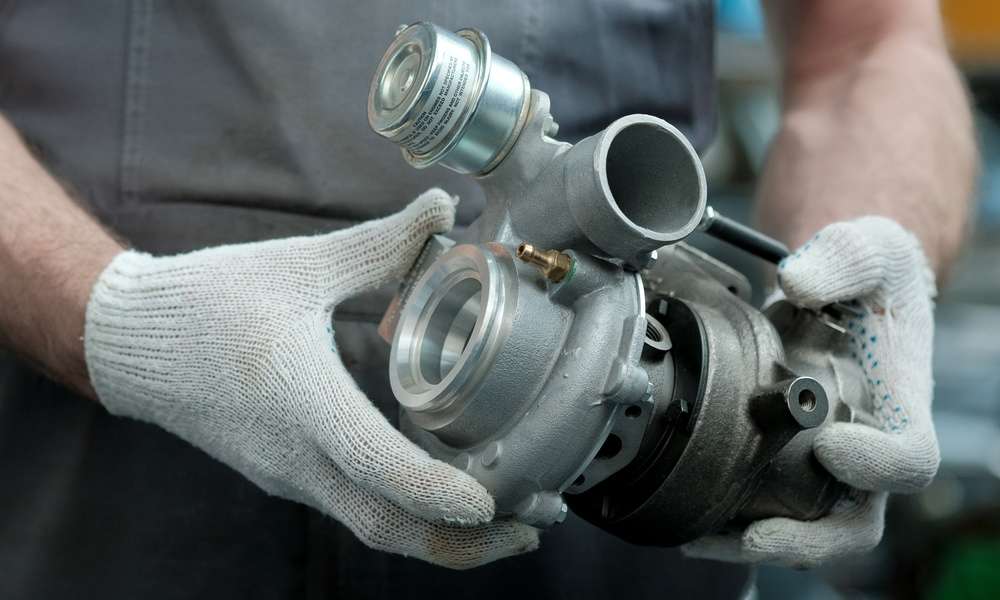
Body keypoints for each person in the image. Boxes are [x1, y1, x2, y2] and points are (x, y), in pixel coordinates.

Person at [0, 0, 975, 598]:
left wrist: (865, 282)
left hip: (603, 541)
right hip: (100, 494)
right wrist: (114, 318)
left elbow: (869, 46)